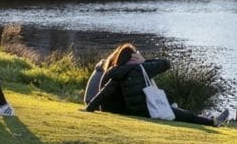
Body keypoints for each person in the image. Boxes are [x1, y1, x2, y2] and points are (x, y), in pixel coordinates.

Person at [84, 43, 229, 127]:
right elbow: (166, 64)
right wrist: (143, 61)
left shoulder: (113, 72)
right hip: (140, 111)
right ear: (134, 57)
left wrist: (89, 108)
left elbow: (105, 92)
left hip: (124, 109)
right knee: (182, 115)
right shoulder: (138, 69)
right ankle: (212, 122)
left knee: (169, 101)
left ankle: (209, 118)